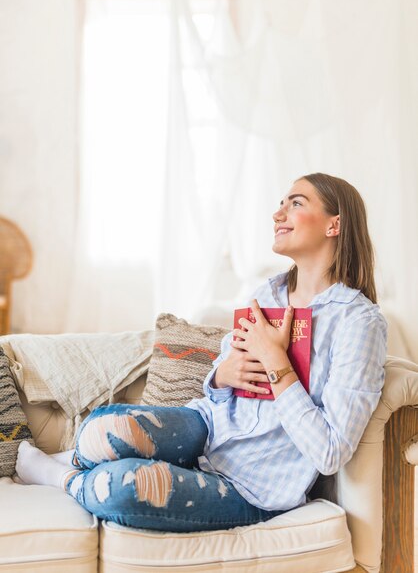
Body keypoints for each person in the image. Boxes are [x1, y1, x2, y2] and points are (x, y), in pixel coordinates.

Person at [15, 172, 387, 532]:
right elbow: (218, 383)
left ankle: (59, 475)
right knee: (103, 425)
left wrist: (277, 363)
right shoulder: (266, 295)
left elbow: (330, 452)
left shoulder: (358, 322)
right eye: (280, 204)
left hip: (253, 483)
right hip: (206, 430)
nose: (278, 214)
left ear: (333, 225)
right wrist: (224, 374)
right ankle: (82, 458)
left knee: (120, 488)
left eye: (295, 203)